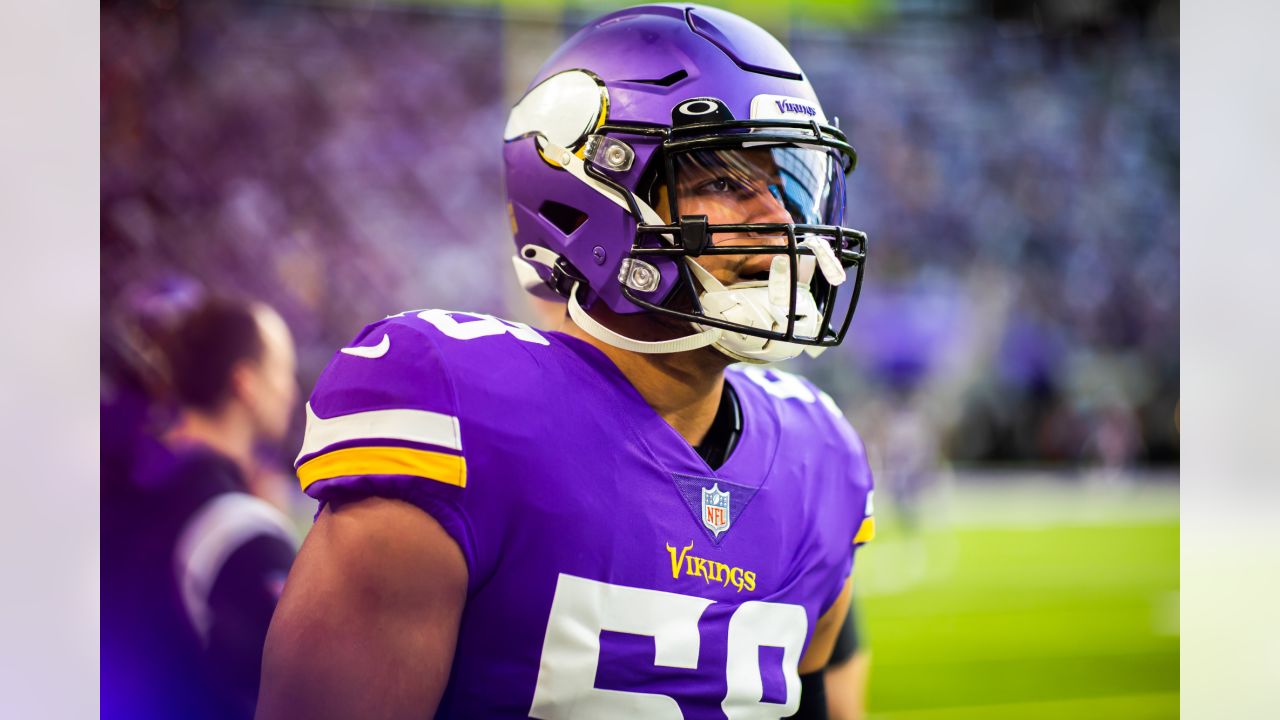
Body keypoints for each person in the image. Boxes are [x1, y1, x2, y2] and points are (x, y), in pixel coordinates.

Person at [257, 5, 875, 718]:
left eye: (781, 184)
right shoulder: (458, 408)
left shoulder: (820, 457)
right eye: (724, 180)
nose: (780, 221)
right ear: (592, 194)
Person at [102, 297, 300, 720]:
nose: (291, 389)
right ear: (245, 384)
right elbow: (300, 696)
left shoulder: (120, 474)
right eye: (281, 371)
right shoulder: (239, 528)